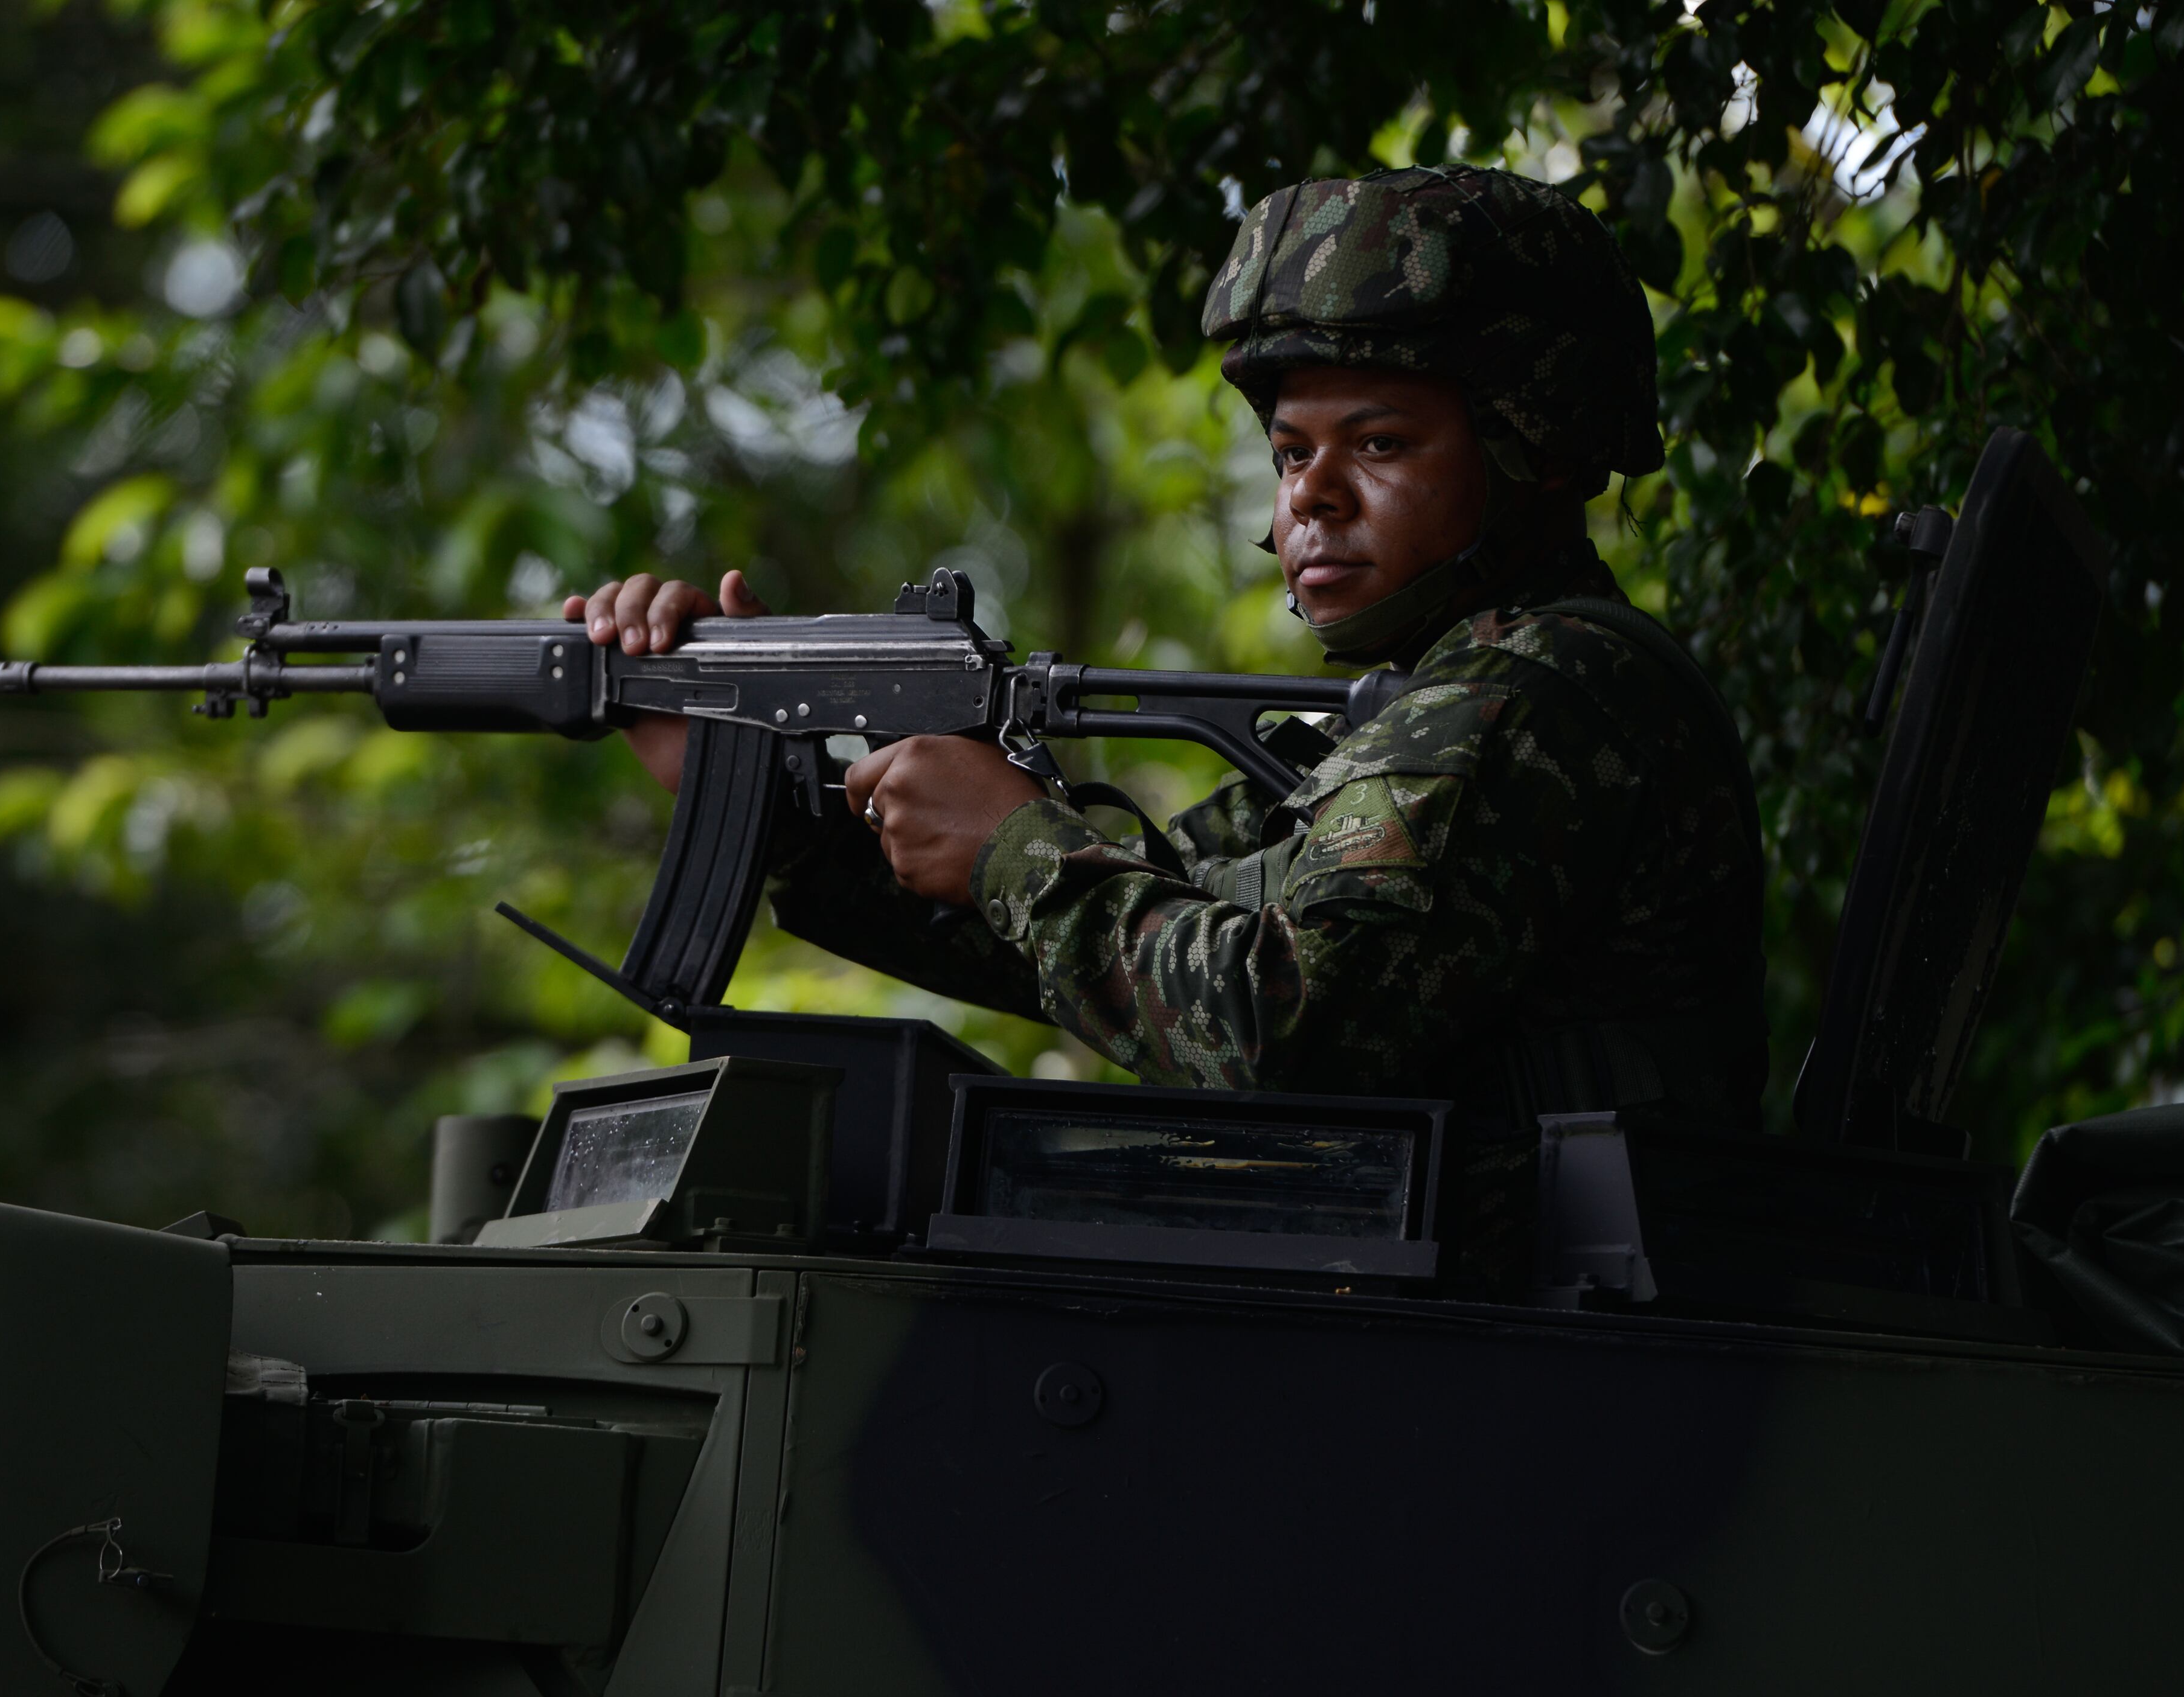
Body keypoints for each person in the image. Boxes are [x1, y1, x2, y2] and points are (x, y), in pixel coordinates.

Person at [565, 165, 1767, 1283]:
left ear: (1535, 447)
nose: (1311, 496)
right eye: (1290, 454)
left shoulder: (1531, 695)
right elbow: (1126, 958)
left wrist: (1014, 845)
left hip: (1531, 1350)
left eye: (1380, 444)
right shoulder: (1420, 708)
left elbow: (1269, 1033)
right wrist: (769, 794)